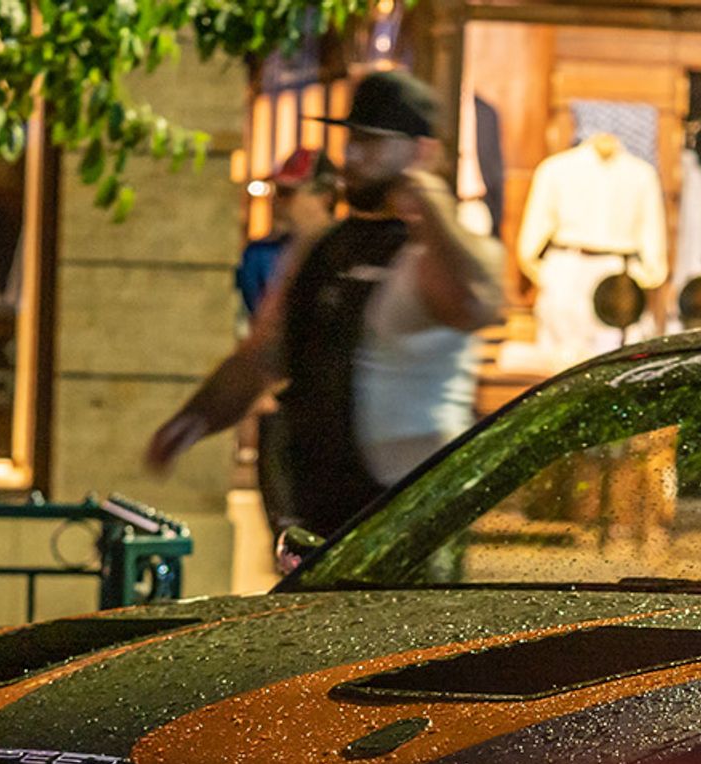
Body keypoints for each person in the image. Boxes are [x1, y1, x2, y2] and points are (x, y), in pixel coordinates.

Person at [145, 70, 505, 543]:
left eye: (372, 143)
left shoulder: (436, 253)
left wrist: (428, 199)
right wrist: (193, 420)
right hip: (317, 507)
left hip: (411, 512)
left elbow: (481, 298)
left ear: (422, 150)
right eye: (351, 139)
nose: (351, 156)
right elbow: (262, 355)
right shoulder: (322, 248)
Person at [234, 149, 339, 321]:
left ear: (324, 197)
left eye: (286, 193)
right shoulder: (259, 253)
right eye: (276, 191)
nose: (275, 201)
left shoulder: (348, 251)